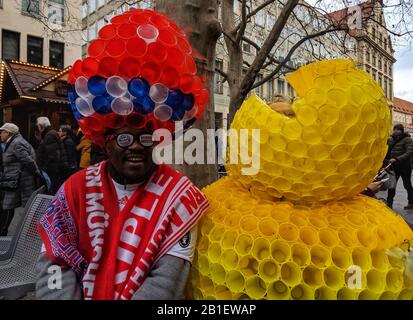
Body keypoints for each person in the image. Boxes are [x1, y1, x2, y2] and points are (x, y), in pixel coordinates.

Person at [0, 123, 43, 236]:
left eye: (2, 132)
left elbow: (29, 161)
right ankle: (4, 230)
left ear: (8, 133)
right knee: (10, 205)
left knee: (9, 205)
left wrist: (36, 173)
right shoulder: (14, 142)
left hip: (20, 180)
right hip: (14, 179)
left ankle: (4, 231)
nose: (0, 134)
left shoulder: (16, 143)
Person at [36, 117, 68, 194]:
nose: (37, 128)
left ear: (41, 126)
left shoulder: (49, 136)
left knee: (51, 191)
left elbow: (54, 156)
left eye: (38, 126)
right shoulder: (51, 133)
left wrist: (44, 168)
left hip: (51, 171)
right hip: (54, 170)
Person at [386, 123, 413, 209]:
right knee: (392, 185)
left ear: (402, 130)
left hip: (405, 166)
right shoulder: (391, 139)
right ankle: (389, 203)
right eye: (395, 129)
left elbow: (409, 152)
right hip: (393, 166)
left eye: (398, 129)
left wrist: (397, 159)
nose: (396, 131)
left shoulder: (407, 139)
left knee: (407, 184)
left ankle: (411, 202)